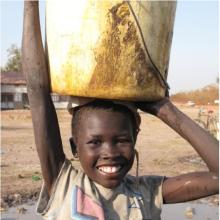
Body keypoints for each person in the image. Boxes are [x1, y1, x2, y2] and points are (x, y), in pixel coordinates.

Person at [22, 1, 219, 220]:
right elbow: (37, 91)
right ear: (74, 147)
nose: (110, 153)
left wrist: (166, 110)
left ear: (135, 138)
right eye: (95, 142)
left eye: (121, 140)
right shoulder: (64, 184)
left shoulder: (146, 193)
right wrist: (31, 5)